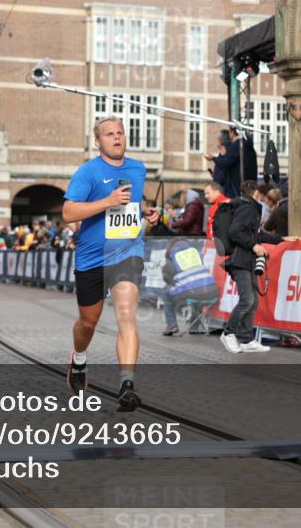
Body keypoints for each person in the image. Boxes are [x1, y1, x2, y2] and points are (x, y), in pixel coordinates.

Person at [62, 116, 159, 411]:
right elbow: (68, 213)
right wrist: (108, 201)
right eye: (109, 134)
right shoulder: (87, 173)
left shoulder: (138, 168)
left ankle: (127, 384)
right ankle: (79, 358)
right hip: (91, 258)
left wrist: (145, 212)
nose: (116, 138)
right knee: (87, 324)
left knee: (127, 314)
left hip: (126, 253)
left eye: (120, 133)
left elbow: (130, 203)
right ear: (98, 142)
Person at [221, 180, 297, 354]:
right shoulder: (248, 207)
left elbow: (257, 234)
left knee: (253, 301)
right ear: (256, 193)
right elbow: (236, 232)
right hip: (240, 260)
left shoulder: (245, 206)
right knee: (247, 300)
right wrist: (254, 246)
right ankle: (229, 333)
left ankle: (246, 339)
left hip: (245, 260)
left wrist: (281, 239)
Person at [160, 238, 218, 335]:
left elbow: (167, 277)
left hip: (190, 293)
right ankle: (194, 326)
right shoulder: (196, 253)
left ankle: (171, 324)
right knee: (195, 291)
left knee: (166, 292)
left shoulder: (172, 255)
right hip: (211, 292)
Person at [205, 130, 239, 197]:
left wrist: (213, 158)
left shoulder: (226, 150)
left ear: (220, 141)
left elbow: (224, 165)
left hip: (225, 189)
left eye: (217, 139)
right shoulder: (228, 149)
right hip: (224, 187)